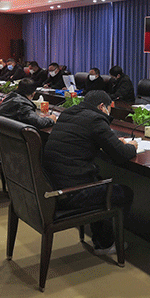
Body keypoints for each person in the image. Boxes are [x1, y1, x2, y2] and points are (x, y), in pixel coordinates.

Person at [43, 90, 137, 255]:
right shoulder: (95, 119)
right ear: (102, 107)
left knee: (99, 181)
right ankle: (105, 244)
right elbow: (121, 154)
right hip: (71, 193)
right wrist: (132, 146)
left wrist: (113, 142)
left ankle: (100, 238)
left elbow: (84, 138)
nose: (109, 113)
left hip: (52, 185)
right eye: (109, 109)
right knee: (124, 193)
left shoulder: (68, 114)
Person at [0, 79, 57, 159]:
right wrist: (51, 119)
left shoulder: (11, 97)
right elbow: (39, 123)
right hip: (6, 150)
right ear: (33, 94)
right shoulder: (22, 104)